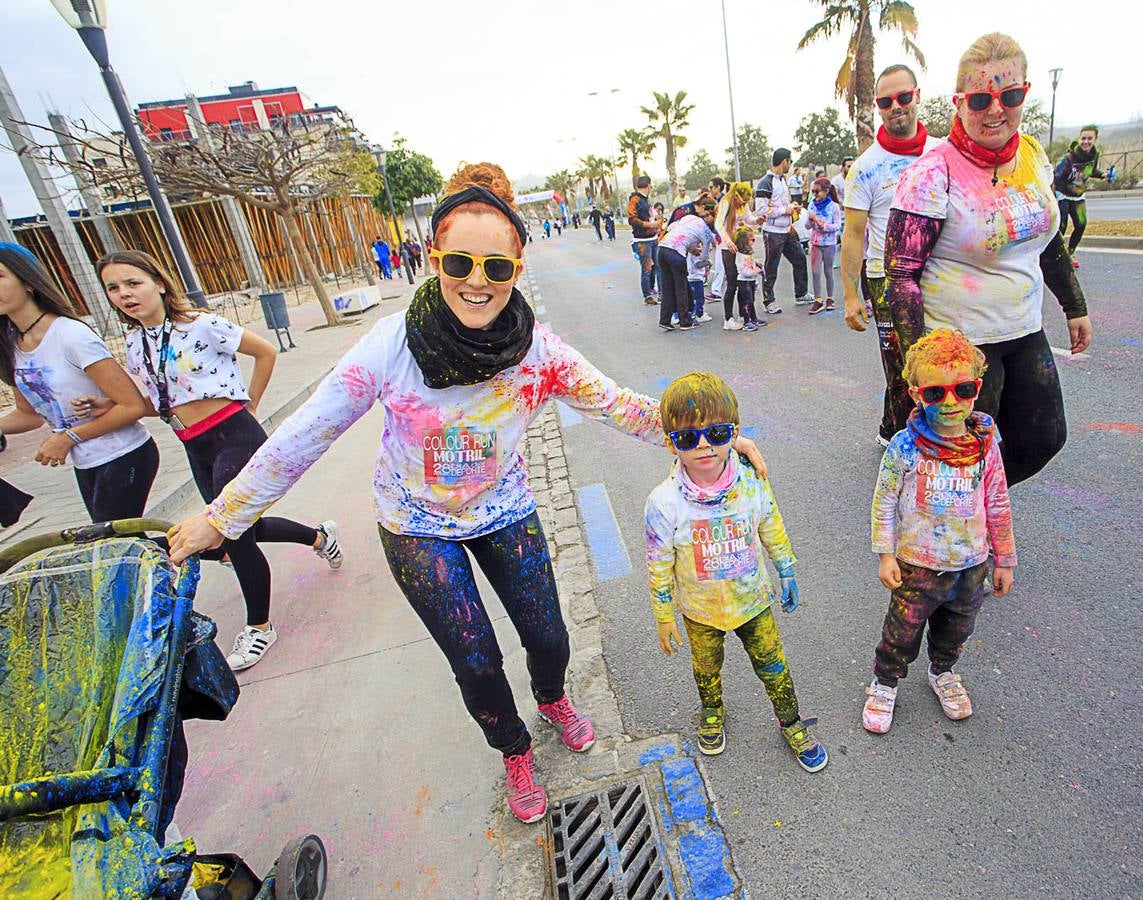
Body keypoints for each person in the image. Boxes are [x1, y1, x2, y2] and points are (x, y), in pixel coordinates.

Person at [166, 163, 768, 824]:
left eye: (495, 267)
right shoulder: (389, 347)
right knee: (476, 660)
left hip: (504, 511)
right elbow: (304, 434)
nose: (477, 283)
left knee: (549, 638)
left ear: (516, 263)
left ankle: (552, 698)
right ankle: (512, 748)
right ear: (433, 260)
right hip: (415, 525)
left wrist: (706, 437)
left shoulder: (537, 351)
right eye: (460, 262)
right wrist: (221, 518)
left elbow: (618, 405)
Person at [93, 249, 343, 672]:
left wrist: (251, 405)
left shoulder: (202, 324)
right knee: (236, 529)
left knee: (234, 533)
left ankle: (260, 626)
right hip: (193, 444)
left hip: (234, 435)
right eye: (113, 288)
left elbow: (265, 352)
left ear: (160, 283)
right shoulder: (136, 343)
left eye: (133, 283)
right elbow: (154, 398)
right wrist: (101, 404)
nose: (124, 294)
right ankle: (320, 538)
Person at [885, 32, 1091, 486]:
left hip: (1023, 327)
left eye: (1010, 95)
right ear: (958, 103)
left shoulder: (1033, 154)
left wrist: (1074, 307)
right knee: (958, 453)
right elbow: (900, 276)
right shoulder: (931, 173)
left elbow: (1048, 236)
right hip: (961, 343)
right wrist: (920, 364)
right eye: (981, 100)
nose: (996, 110)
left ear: (1025, 94)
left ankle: (974, 508)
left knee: (1044, 437)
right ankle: (943, 538)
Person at [644, 372, 827, 771]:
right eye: (688, 438)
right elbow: (658, 564)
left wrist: (787, 569)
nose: (705, 445)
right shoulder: (664, 503)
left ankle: (791, 720)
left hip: (754, 601)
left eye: (717, 432)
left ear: (736, 431)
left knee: (773, 663)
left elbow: (771, 525)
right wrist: (663, 615)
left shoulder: (751, 482)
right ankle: (712, 711)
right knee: (706, 667)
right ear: (670, 440)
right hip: (700, 611)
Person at [863, 329, 1015, 732]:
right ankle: (885, 682)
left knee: (957, 627)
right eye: (935, 393)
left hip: (971, 565)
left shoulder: (985, 444)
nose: (950, 402)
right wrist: (885, 554)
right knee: (901, 630)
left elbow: (997, 501)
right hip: (917, 566)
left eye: (962, 389)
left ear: (977, 388)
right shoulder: (905, 446)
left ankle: (943, 671)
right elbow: (884, 501)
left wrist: (1005, 560)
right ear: (916, 394)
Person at [0, 242, 157, 523]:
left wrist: (68, 437)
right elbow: (29, 415)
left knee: (110, 545)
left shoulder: (71, 335)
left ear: (27, 282)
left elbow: (132, 405)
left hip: (124, 453)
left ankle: (207, 546)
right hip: (85, 462)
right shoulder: (11, 347)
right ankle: (207, 548)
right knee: (116, 547)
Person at [843, 63, 939, 445]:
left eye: (903, 97)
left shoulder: (942, 153)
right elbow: (853, 235)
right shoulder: (866, 168)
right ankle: (906, 443)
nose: (896, 106)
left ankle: (894, 426)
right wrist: (851, 295)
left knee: (937, 360)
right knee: (902, 367)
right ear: (878, 107)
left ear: (917, 96)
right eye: (886, 101)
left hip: (939, 275)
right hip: (886, 280)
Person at [755, 149, 809, 312]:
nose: (790, 166)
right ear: (784, 161)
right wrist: (785, 210)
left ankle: (801, 294)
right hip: (772, 232)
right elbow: (761, 210)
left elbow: (782, 203)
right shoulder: (765, 182)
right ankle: (768, 301)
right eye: (790, 162)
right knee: (771, 267)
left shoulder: (782, 181)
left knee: (799, 258)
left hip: (787, 229)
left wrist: (793, 207)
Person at [656, 196, 717, 332]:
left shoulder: (689, 218)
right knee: (681, 288)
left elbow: (673, 228)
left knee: (667, 288)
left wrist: (690, 249)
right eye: (710, 215)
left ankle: (665, 320)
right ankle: (685, 321)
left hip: (663, 248)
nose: (709, 218)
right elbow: (705, 253)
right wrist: (703, 261)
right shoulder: (706, 230)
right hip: (676, 254)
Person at [1053, 126, 1111, 266]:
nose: (1086, 141)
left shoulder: (1094, 155)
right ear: (1079, 139)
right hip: (1063, 195)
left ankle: (1070, 252)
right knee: (1061, 227)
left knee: (1081, 224)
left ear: (1095, 139)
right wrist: (1055, 196)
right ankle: (1057, 257)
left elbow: (1090, 171)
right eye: (1083, 138)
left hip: (1079, 196)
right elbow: (1056, 176)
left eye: (1089, 138)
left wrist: (1102, 175)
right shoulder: (1069, 157)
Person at [715, 182, 758, 331]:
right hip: (728, 248)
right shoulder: (726, 203)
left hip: (740, 246)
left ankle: (743, 316)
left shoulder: (742, 204)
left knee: (742, 282)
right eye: (743, 200)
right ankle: (728, 319)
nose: (744, 203)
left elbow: (749, 218)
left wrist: (758, 220)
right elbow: (718, 224)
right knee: (732, 282)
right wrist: (727, 241)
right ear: (736, 195)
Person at [804, 177, 842, 315]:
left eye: (817, 192)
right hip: (815, 243)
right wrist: (810, 220)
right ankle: (818, 299)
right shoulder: (812, 205)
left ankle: (830, 298)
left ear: (826, 191)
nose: (815, 195)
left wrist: (824, 226)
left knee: (828, 271)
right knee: (815, 272)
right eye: (813, 192)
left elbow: (837, 225)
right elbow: (807, 226)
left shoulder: (834, 207)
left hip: (829, 243)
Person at [628, 176, 661, 305]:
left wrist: (656, 221)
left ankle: (662, 293)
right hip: (642, 240)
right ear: (649, 185)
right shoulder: (635, 200)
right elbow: (632, 219)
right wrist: (649, 225)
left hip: (653, 238)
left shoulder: (646, 200)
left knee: (659, 267)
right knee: (647, 268)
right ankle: (647, 296)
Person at [733, 227, 764, 333]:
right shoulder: (741, 255)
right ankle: (746, 321)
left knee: (751, 300)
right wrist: (756, 270)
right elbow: (744, 271)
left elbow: (751, 265)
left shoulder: (748, 253)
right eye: (752, 240)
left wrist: (757, 266)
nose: (754, 241)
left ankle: (753, 318)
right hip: (744, 281)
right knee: (747, 301)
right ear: (744, 241)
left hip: (750, 280)